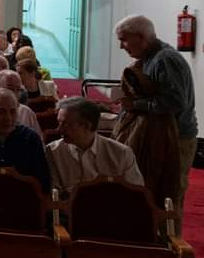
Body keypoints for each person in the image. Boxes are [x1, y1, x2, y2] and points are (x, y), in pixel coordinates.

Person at [114, 14, 197, 228]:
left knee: (169, 197)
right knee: (153, 192)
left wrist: (137, 105)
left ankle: (170, 252)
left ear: (141, 37)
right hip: (161, 137)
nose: (121, 46)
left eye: (124, 39)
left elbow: (175, 101)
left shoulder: (165, 59)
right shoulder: (151, 58)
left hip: (176, 140)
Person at [46, 97, 143, 198]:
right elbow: (55, 195)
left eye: (66, 125)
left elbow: (136, 193)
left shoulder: (121, 153)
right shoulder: (53, 151)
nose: (58, 130)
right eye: (59, 123)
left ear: (87, 126)